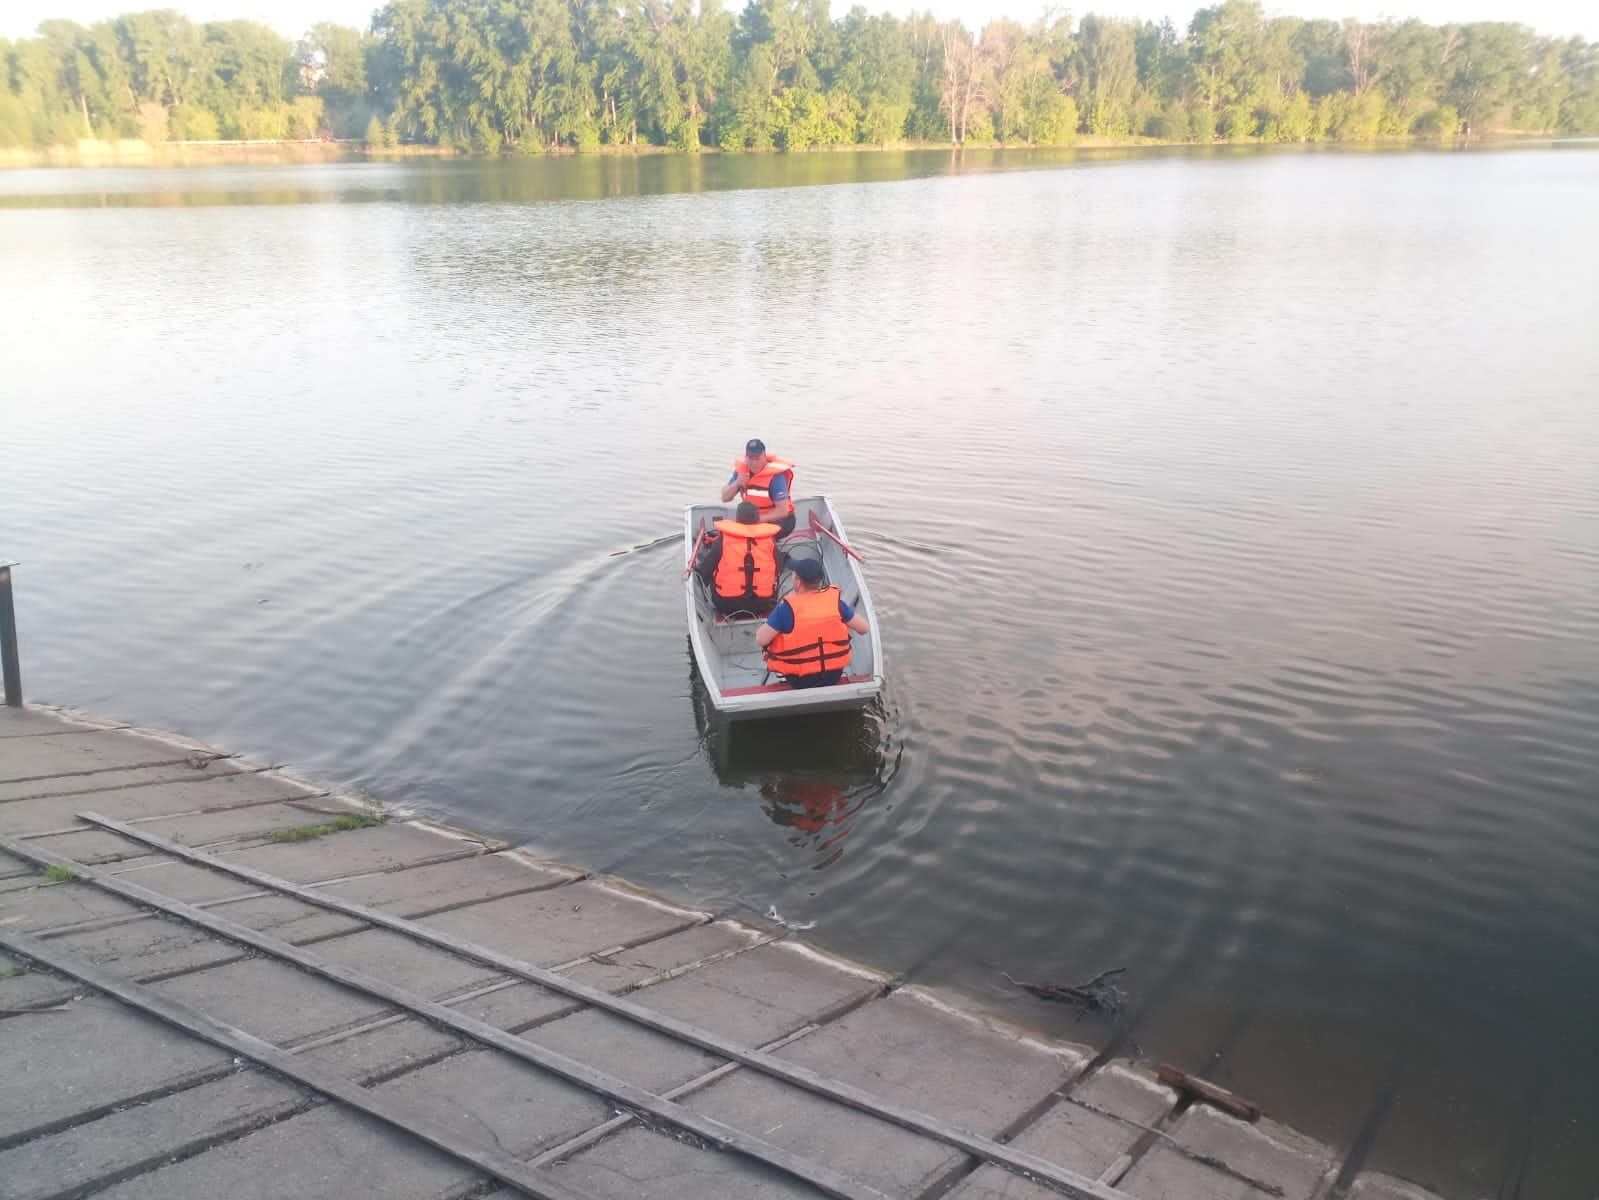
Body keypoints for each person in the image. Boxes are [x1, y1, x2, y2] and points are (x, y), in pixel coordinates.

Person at [756, 557, 870, 689]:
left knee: (770, 642)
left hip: (799, 681)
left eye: (793, 575)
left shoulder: (785, 609)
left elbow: (761, 640)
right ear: (819, 581)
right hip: (832, 676)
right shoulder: (836, 604)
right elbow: (864, 628)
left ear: (797, 582)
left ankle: (783, 677)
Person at [695, 501, 784, 616]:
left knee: (712, 571)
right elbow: (779, 568)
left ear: (737, 519)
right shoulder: (770, 541)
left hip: (726, 606)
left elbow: (705, 571)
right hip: (763, 605)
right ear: (758, 520)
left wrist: (698, 571)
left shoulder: (722, 540)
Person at [720, 439, 796, 538]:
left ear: (764, 456)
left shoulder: (776, 477)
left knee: (755, 542)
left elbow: (782, 511)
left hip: (781, 521)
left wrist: (758, 520)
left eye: (757, 458)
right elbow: (725, 498)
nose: (754, 463)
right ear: (746, 457)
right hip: (754, 520)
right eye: (750, 458)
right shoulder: (741, 472)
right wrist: (737, 483)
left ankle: (773, 552)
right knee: (729, 538)